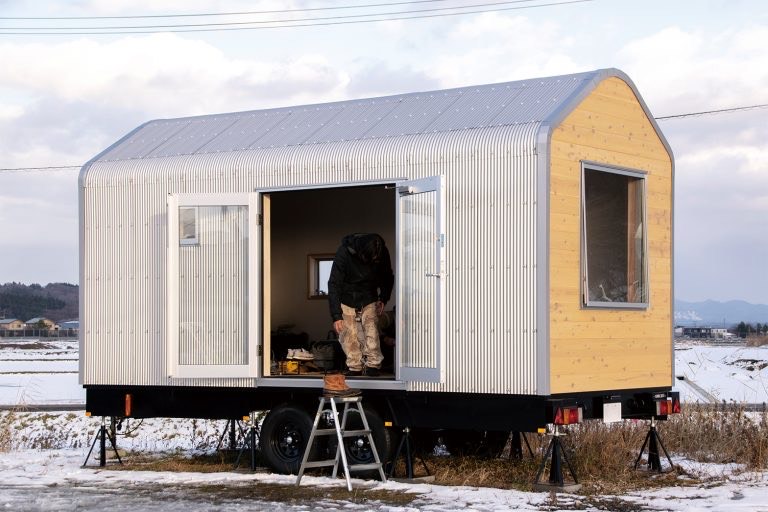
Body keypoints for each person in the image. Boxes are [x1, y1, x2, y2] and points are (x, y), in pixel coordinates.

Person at [328, 233, 394, 376]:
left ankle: (373, 365)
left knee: (372, 329)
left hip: (369, 295)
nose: (374, 260)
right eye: (371, 259)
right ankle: (355, 367)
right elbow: (334, 284)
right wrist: (336, 315)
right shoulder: (344, 252)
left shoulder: (382, 252)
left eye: (376, 259)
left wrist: (383, 297)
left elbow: (387, 276)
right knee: (348, 333)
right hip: (346, 296)